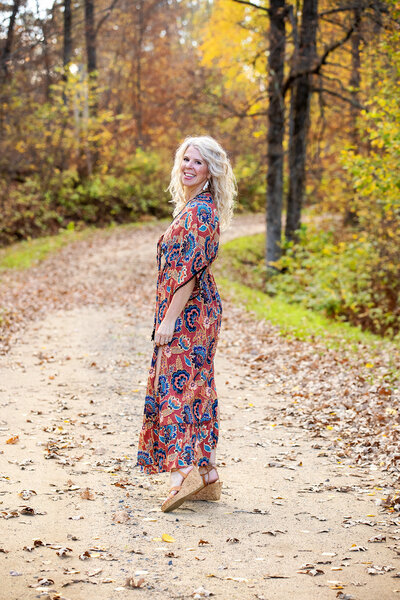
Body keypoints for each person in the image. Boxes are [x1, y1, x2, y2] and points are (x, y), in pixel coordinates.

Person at [137, 135, 236, 512]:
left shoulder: (200, 212)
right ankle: (207, 474)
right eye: (186, 160)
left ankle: (182, 473)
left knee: (177, 386)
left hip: (190, 311)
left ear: (211, 169)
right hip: (195, 309)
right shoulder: (195, 206)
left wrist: (168, 319)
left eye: (198, 161)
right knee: (194, 384)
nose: (189, 166)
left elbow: (189, 273)